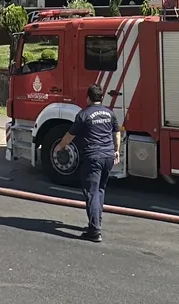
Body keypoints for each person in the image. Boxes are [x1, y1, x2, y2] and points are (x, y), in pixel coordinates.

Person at [55, 84, 120, 242]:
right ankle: (97, 221)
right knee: (100, 190)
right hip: (108, 157)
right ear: (101, 97)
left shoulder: (84, 115)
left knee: (91, 192)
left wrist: (60, 147)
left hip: (93, 157)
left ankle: (94, 231)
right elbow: (116, 132)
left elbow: (70, 135)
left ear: (88, 97)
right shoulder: (110, 113)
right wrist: (116, 150)